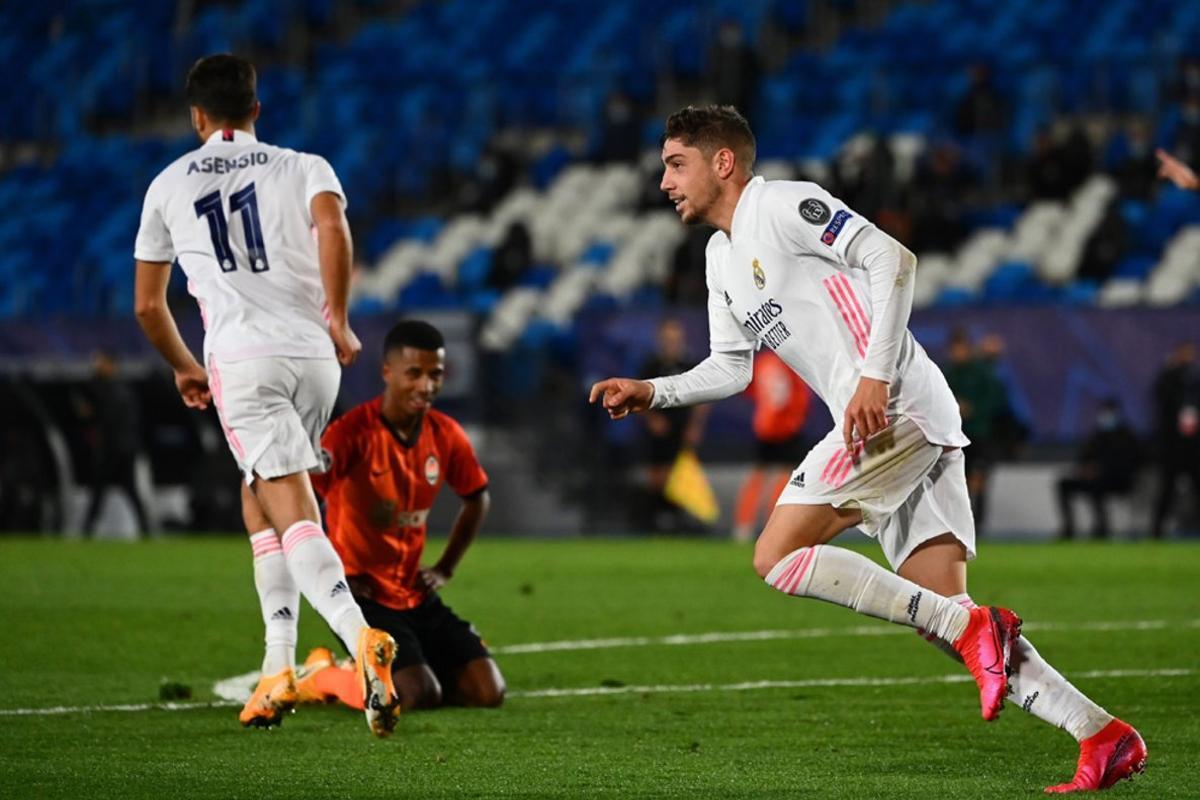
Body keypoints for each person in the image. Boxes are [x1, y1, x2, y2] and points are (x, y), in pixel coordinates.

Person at [588, 105, 1145, 793]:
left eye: (676, 163)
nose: (664, 180)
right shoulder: (718, 256)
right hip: (892, 420)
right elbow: (731, 366)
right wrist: (654, 390)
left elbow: (892, 257)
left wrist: (875, 376)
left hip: (893, 407)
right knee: (948, 624)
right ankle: (1103, 735)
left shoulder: (784, 205)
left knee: (776, 554)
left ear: (722, 162)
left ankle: (978, 630)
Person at [132, 54, 398, 736]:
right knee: (264, 500)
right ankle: (276, 669)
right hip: (313, 356)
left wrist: (186, 367)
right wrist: (337, 316)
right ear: (257, 109)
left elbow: (148, 307)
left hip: (242, 359)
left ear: (197, 117)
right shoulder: (304, 165)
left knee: (286, 500)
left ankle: (358, 634)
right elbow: (332, 226)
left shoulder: (167, 185)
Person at [296, 320, 504, 712]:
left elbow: (477, 498)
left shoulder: (446, 434)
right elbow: (302, 503)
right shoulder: (351, 434)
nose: (426, 386)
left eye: (435, 374)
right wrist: (334, 577)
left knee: (488, 694)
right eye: (414, 374)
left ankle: (405, 669)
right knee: (414, 696)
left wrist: (444, 569)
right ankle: (322, 676)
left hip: (415, 593)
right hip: (365, 599)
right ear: (387, 372)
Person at [637, 318, 709, 532]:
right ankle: (656, 518)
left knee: (682, 473)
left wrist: (695, 427)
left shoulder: (689, 365)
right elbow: (639, 396)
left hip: (682, 426)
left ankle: (680, 520)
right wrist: (652, 419)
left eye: (675, 338)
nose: (672, 343)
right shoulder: (651, 365)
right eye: (668, 339)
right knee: (657, 473)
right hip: (660, 429)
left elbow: (702, 399)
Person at [733, 349, 812, 542]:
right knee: (785, 476)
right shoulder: (792, 360)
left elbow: (748, 389)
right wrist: (796, 418)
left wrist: (763, 405)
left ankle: (744, 525)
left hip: (765, 425)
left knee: (759, 475)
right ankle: (774, 524)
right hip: (786, 426)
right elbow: (801, 395)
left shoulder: (763, 361)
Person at [79, 350, 150, 537]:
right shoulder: (122, 389)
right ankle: (146, 529)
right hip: (124, 447)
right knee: (124, 491)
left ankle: (88, 528)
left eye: (100, 362)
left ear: (111, 364)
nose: (96, 365)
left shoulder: (111, 390)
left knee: (105, 490)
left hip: (114, 448)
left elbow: (103, 418)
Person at [943, 329, 1007, 532]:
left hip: (980, 435)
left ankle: (977, 523)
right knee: (959, 481)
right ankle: (959, 523)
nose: (958, 353)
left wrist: (973, 409)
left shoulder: (982, 373)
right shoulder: (947, 374)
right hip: (955, 436)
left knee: (979, 479)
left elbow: (995, 401)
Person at [1056, 399, 1143, 540]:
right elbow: (1084, 458)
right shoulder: (1096, 436)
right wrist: (1085, 469)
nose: (1106, 417)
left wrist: (1101, 470)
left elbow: (1130, 463)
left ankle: (1101, 528)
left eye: (1110, 413)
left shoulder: (1126, 436)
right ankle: (1069, 528)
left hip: (1118, 480)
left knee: (1097, 483)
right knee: (1064, 484)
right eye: (1104, 413)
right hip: (1094, 479)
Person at [1150, 342, 1200, 538]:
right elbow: (1161, 397)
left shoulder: (1195, 379)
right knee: (1167, 489)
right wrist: (1169, 368)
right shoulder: (1169, 377)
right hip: (1173, 448)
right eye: (1184, 353)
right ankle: (1156, 531)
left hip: (1194, 447)